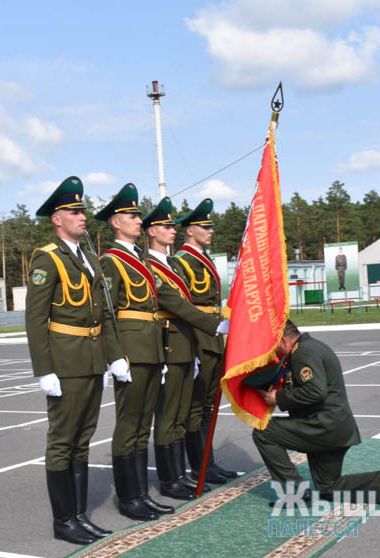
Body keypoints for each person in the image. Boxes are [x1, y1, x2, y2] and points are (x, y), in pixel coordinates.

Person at [26, 176, 124, 545]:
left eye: (82, 211)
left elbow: (103, 314)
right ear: (57, 218)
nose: (82, 216)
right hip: (65, 364)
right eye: (74, 211)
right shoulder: (47, 258)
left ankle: (79, 515)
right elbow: (35, 320)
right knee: (62, 440)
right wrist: (44, 370)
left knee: (82, 439)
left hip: (91, 359)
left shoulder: (89, 258)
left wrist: (110, 359)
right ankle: (63, 520)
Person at [253, 320, 380, 504]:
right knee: (327, 488)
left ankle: (296, 494)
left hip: (323, 426)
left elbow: (315, 391)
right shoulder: (312, 347)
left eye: (274, 346)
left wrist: (279, 398)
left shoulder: (303, 352)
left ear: (284, 341)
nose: (274, 352)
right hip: (335, 427)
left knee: (263, 432)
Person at [96, 183, 172, 521]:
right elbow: (106, 313)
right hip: (131, 350)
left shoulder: (139, 258)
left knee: (143, 425)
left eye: (139, 215)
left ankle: (141, 494)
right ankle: (128, 498)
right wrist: (115, 356)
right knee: (128, 425)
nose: (138, 220)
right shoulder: (111, 261)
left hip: (151, 347)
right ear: (115, 222)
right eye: (132, 215)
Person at [142, 198, 226, 501]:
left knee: (196, 409)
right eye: (166, 225)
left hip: (197, 336)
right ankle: (182, 473)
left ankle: (196, 468)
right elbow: (180, 304)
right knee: (180, 412)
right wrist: (215, 325)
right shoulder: (172, 262)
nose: (171, 230)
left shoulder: (178, 262)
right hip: (186, 337)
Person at [173, 198, 239, 485]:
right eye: (205, 226)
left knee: (209, 406)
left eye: (211, 226)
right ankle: (199, 465)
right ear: (189, 230)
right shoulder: (182, 261)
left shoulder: (203, 258)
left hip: (214, 337)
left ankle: (208, 464)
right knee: (196, 407)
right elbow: (185, 306)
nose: (211, 231)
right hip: (199, 338)